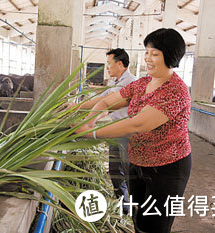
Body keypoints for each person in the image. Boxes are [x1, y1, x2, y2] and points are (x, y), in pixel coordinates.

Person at [74, 28, 191, 233]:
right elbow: (108, 101)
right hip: (138, 162)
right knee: (138, 217)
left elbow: (137, 124)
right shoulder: (143, 83)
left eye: (154, 54)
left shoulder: (176, 90)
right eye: (146, 52)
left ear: (171, 56)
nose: (148, 58)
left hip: (167, 168)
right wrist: (91, 118)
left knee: (154, 225)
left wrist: (92, 133)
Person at [69, 48, 136, 211]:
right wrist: (78, 108)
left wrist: (86, 119)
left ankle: (136, 208)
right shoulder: (116, 81)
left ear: (120, 64)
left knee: (129, 172)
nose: (107, 67)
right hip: (116, 130)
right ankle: (123, 206)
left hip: (128, 133)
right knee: (114, 169)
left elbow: (105, 100)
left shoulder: (130, 82)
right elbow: (102, 101)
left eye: (108, 63)